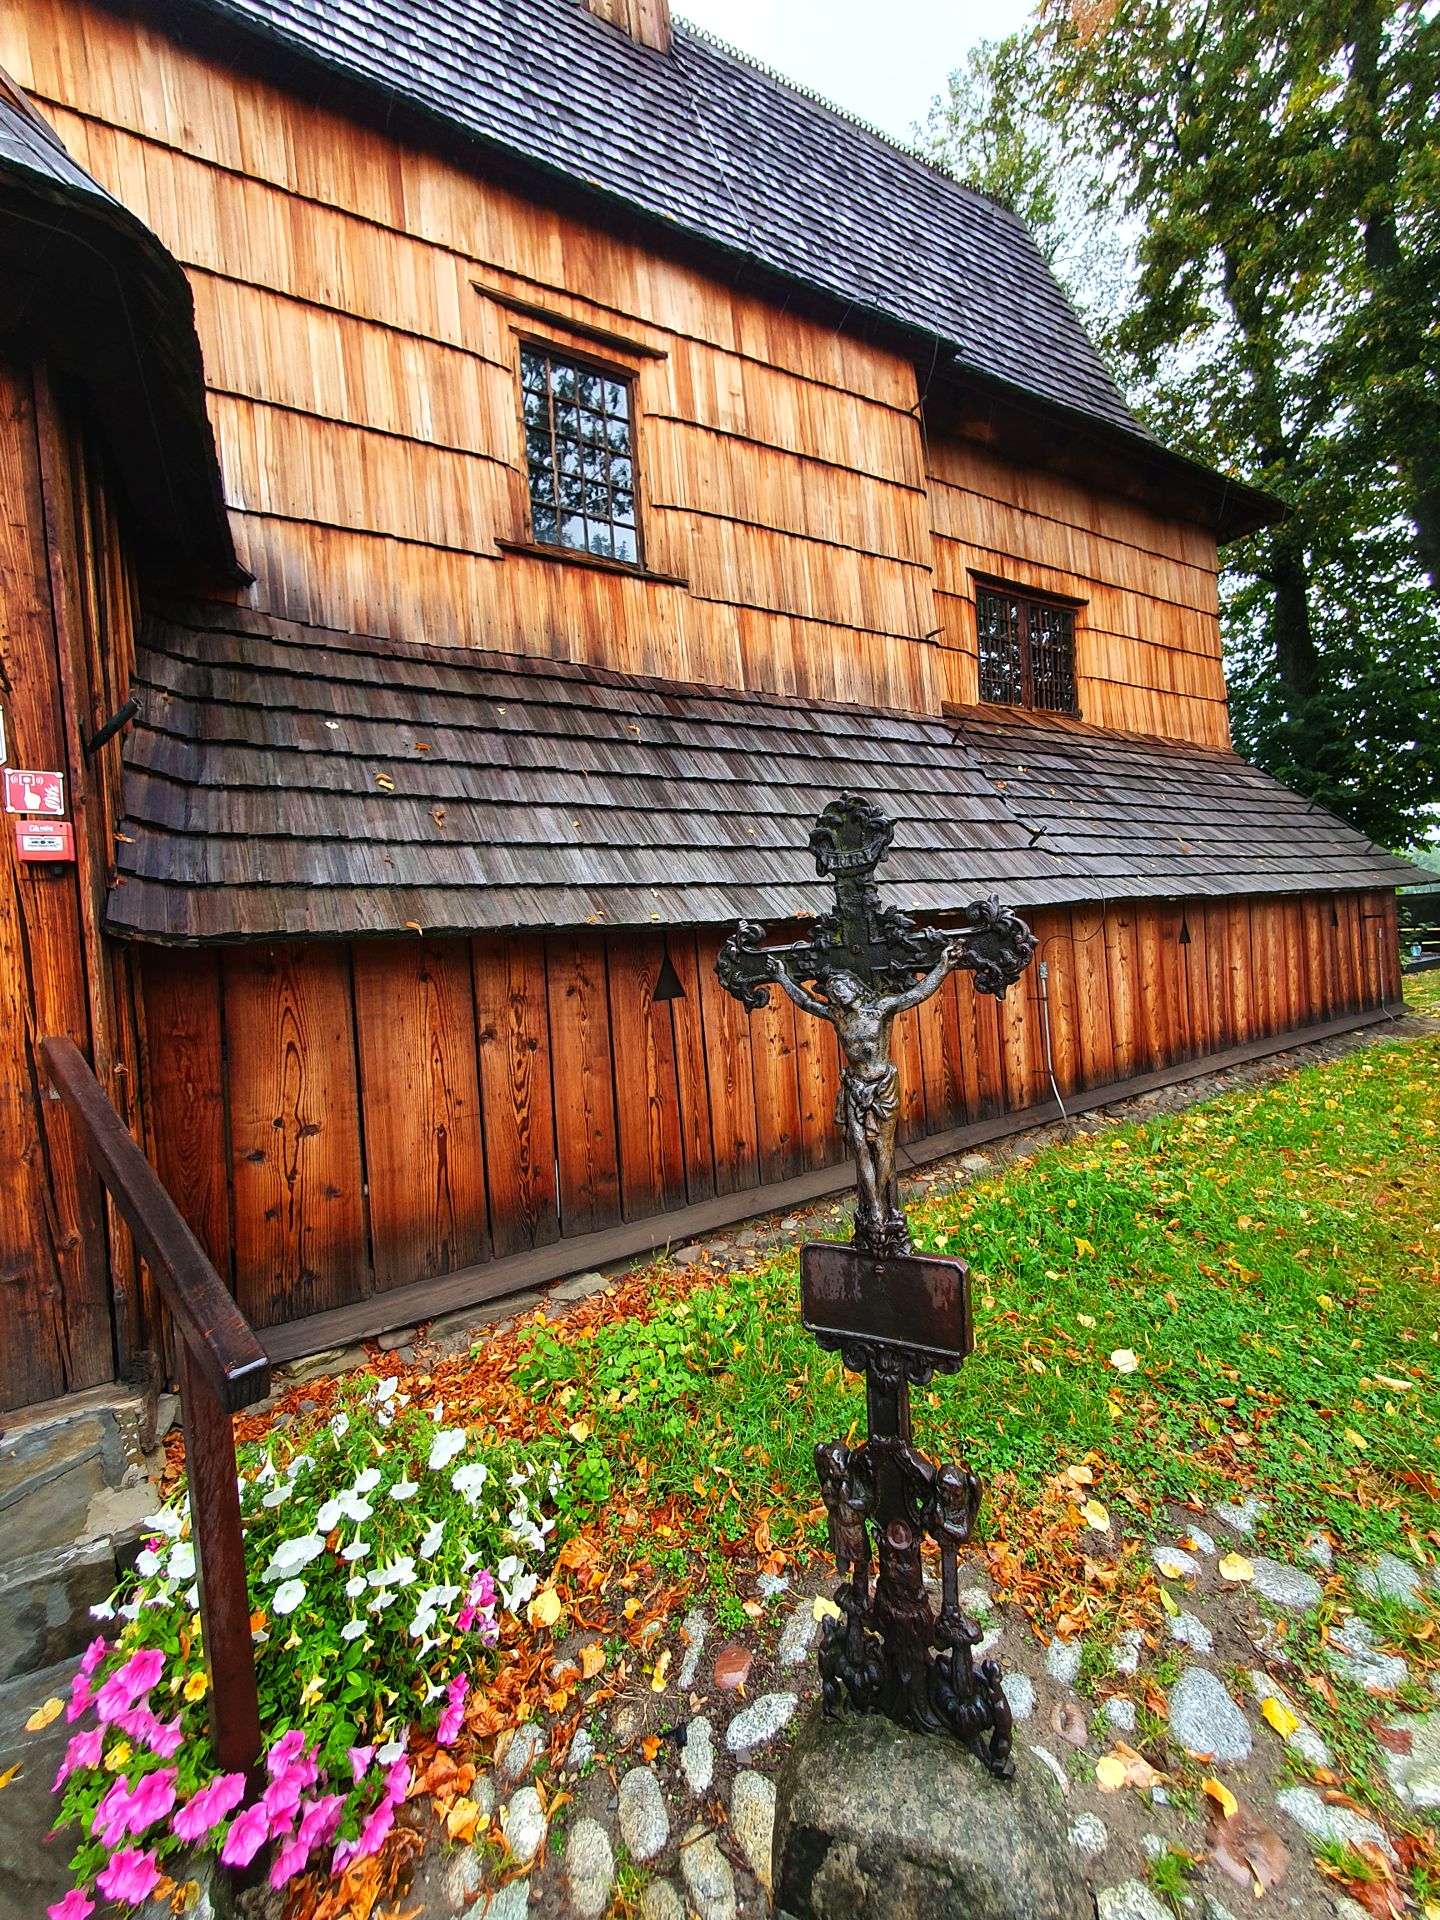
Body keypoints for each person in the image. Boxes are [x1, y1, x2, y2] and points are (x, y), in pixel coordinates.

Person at [768, 947, 963, 1250]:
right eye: (833, 991)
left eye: (842, 987)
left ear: (854, 987)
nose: (838, 994)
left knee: (882, 1149)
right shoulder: (837, 1016)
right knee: (860, 1148)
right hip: (854, 1088)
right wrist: (782, 978)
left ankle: (881, 1208)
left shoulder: (880, 1008)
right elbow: (806, 1001)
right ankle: (874, 1209)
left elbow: (916, 994)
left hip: (882, 1088)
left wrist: (944, 966)